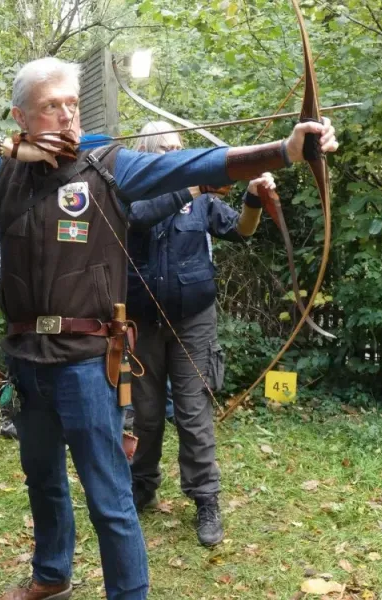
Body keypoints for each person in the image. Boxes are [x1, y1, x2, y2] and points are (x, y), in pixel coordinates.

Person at [0, 57, 338, 600]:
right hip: (27, 358)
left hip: (87, 362)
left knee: (109, 495)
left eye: (71, 104)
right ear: (20, 116)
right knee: (42, 479)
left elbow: (191, 164)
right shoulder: (3, 172)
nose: (66, 116)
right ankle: (51, 576)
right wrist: (5, 148)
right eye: (51, 107)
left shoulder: (109, 165)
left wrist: (285, 150)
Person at [125, 121, 272, 547]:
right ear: (146, 153)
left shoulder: (201, 200)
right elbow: (138, 217)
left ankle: (206, 498)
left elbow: (241, 230)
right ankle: (142, 486)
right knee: (146, 414)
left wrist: (253, 196)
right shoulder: (131, 191)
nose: (175, 153)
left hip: (193, 320)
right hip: (142, 321)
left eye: (178, 146)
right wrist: (193, 185)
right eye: (164, 148)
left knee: (193, 412)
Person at [0, 215, 18, 440]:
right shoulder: (9, 202)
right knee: (14, 362)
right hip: (19, 305)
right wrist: (9, 297)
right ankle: (7, 417)